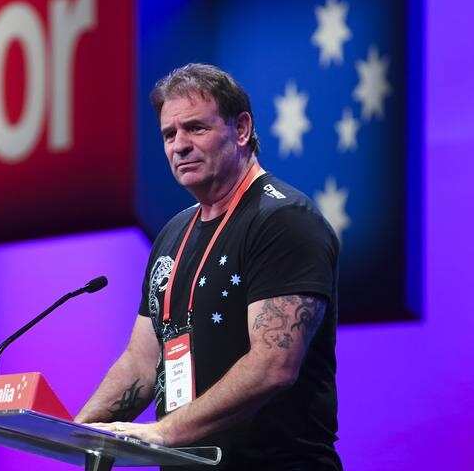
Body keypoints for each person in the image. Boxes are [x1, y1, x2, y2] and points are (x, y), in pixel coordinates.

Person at [74, 63, 342, 470]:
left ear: (241, 129)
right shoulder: (172, 234)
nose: (179, 145)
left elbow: (273, 365)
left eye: (195, 128)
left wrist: (164, 430)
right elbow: (142, 362)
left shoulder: (284, 219)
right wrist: (83, 430)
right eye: (169, 134)